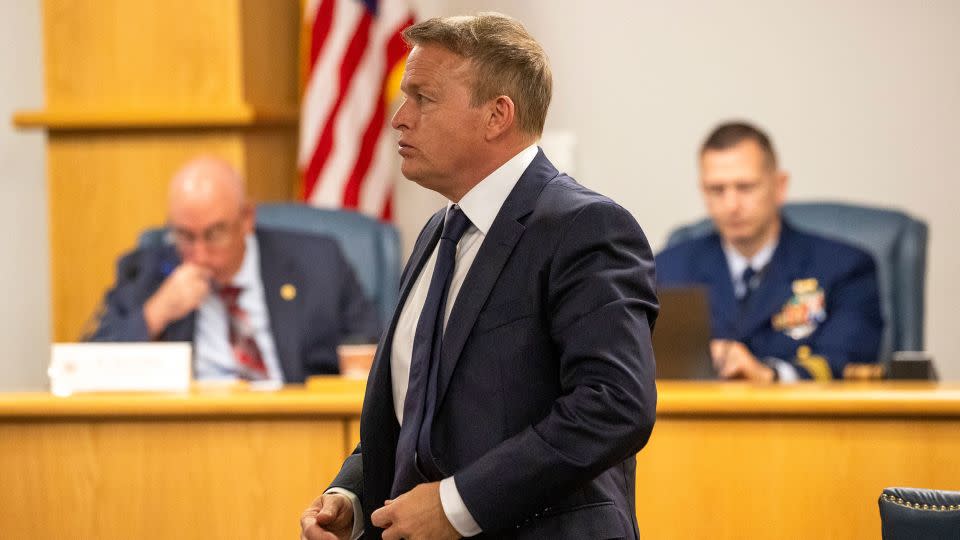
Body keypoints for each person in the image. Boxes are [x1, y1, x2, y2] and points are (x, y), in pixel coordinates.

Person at [300, 13, 658, 540]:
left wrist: (457, 504)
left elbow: (614, 404)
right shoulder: (435, 235)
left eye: (423, 97)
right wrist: (353, 495)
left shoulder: (584, 227)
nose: (399, 118)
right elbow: (419, 411)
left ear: (496, 116)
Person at [88, 156, 380, 383]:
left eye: (214, 233)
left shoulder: (318, 263)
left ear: (246, 219)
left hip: (297, 431)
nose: (199, 253)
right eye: (185, 236)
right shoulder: (147, 271)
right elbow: (87, 365)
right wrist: (155, 313)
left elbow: (371, 349)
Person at [656, 122, 883, 382]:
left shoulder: (844, 268)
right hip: (699, 419)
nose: (731, 205)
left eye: (745, 187)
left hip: (802, 418)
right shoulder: (668, 269)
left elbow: (849, 359)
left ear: (779, 186)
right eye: (716, 190)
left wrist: (771, 375)